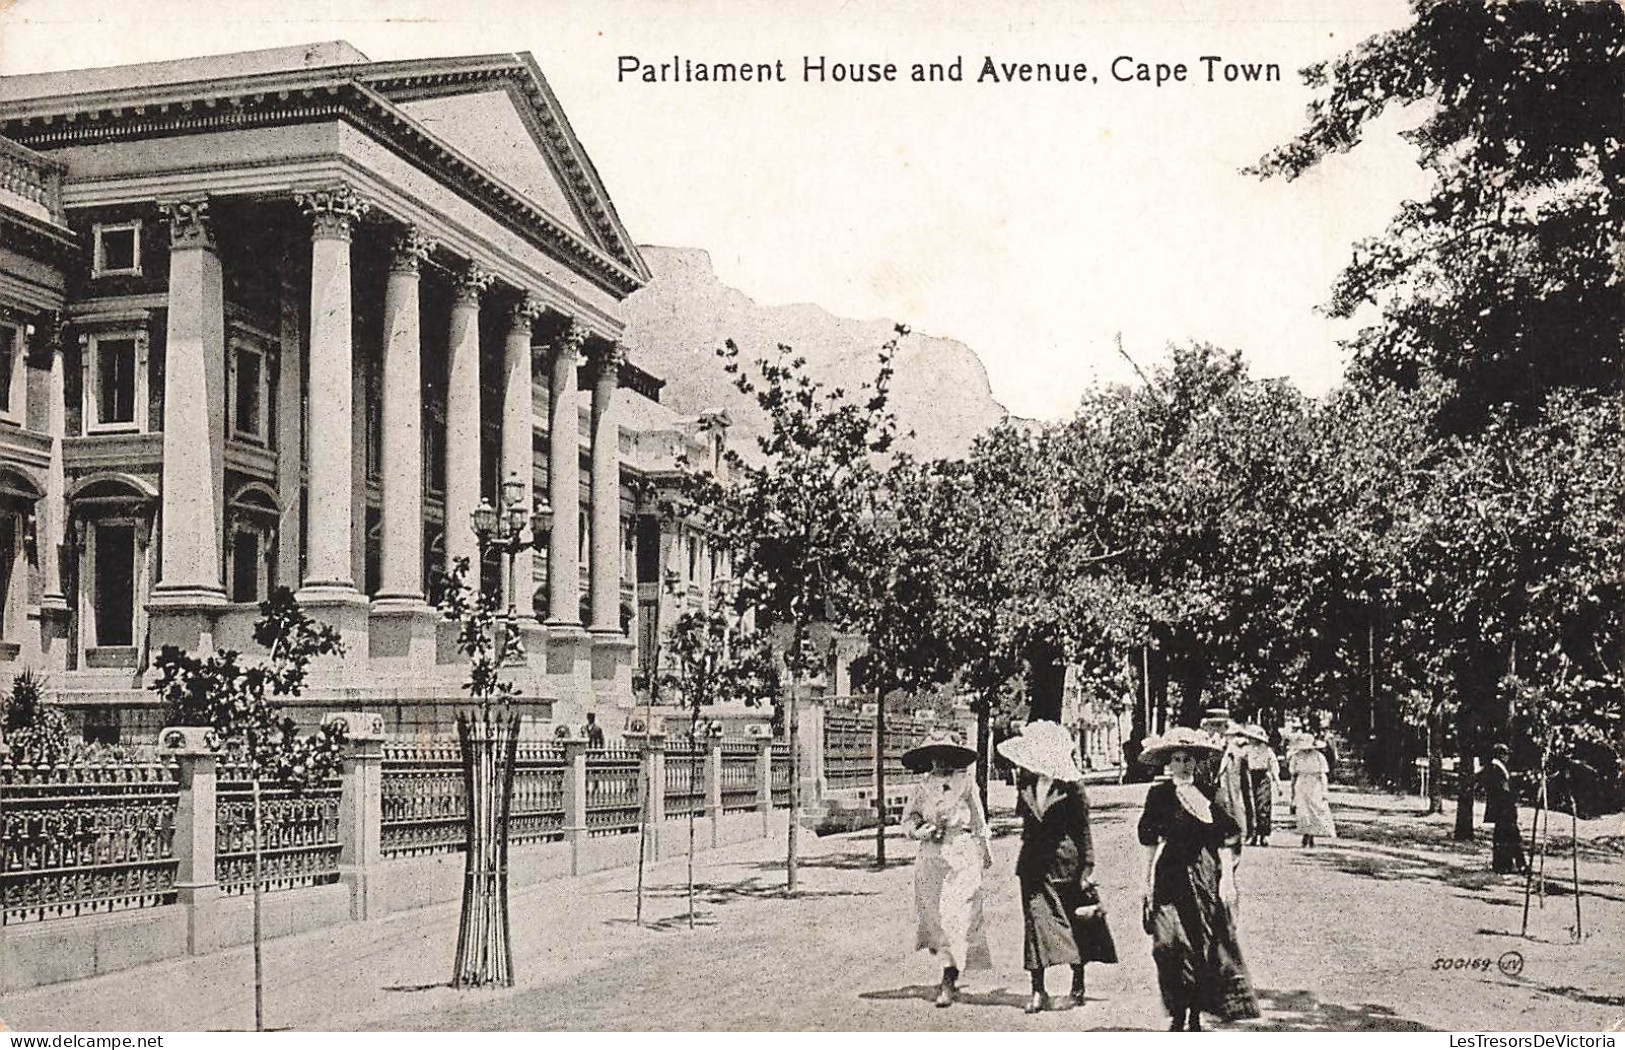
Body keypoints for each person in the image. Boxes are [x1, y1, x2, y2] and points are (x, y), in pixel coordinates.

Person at [1136, 727, 1260, 1031]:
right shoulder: (1159, 795)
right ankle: (1177, 1008)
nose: (1182, 765)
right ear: (1168, 763)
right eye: (1176, 759)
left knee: (1199, 947)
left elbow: (1226, 838)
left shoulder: (1208, 792)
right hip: (1169, 875)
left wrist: (1227, 879)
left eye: (1188, 759)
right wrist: (1145, 881)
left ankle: (1190, 1016)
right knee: (1165, 945)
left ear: (1196, 761)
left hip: (1204, 875)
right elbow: (1149, 839)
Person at [998, 721, 1119, 1013]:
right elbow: (1026, 821)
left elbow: (1083, 829)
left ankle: (1078, 986)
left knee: (1074, 923)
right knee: (1036, 925)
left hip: (1067, 864)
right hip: (1032, 866)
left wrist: (1088, 866)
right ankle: (1038, 990)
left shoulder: (1071, 786)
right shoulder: (1025, 781)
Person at [900, 729, 993, 1008]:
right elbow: (908, 820)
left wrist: (986, 854)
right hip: (931, 859)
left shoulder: (966, 784)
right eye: (935, 756)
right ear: (930, 759)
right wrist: (919, 831)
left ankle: (948, 981)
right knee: (937, 919)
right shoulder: (921, 787)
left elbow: (979, 821)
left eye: (946, 755)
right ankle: (948, 965)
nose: (941, 761)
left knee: (955, 916)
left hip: (960, 856)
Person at [1482, 744, 1529, 875]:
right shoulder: (1495, 768)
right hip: (1504, 809)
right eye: (1506, 754)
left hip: (1502, 809)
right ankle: (1520, 865)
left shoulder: (1497, 767)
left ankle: (1504, 864)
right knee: (1512, 837)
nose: (1508, 757)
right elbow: (1502, 790)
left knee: (1503, 837)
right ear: (1501, 755)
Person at [1287, 733, 1337, 847]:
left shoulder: (1319, 756)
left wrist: (1325, 790)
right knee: (1303, 811)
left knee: (1316, 810)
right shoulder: (1296, 757)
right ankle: (1306, 834)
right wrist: (1292, 794)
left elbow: (1323, 774)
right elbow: (1294, 776)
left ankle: (1312, 835)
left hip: (1315, 785)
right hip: (1301, 785)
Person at [1238, 725, 1279, 846]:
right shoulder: (1245, 750)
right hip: (1249, 777)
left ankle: (1264, 835)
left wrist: (1278, 782)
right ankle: (1252, 834)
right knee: (1250, 806)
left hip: (1263, 777)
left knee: (1263, 805)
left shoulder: (1267, 750)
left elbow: (1273, 766)